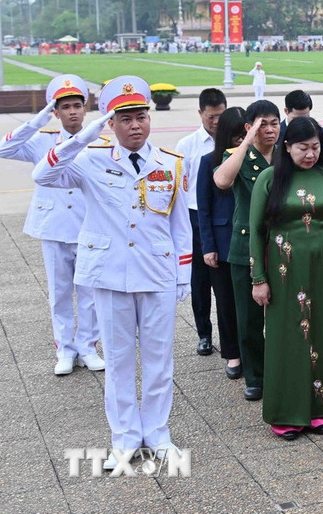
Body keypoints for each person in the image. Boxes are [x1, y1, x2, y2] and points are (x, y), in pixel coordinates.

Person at [34, 76, 191, 469]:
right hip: (109, 274)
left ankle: (158, 433)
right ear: (111, 122)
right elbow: (43, 175)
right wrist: (83, 137)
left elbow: (180, 225)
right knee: (119, 361)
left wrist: (183, 274)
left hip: (156, 272)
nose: (135, 125)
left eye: (141, 117)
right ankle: (124, 438)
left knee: (159, 360)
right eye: (125, 119)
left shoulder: (170, 163)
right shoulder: (90, 159)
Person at [248, 117, 323, 440]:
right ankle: (287, 411)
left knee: (322, 333)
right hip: (284, 272)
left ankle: (321, 407)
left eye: (315, 147)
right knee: (287, 337)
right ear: (287, 147)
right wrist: (258, 279)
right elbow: (256, 232)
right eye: (302, 147)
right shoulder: (270, 178)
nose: (310, 154)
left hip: (322, 269)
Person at [0, 75, 104, 376]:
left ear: (86, 108)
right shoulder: (43, 140)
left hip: (88, 226)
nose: (72, 112)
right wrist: (37, 120)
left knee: (89, 293)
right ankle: (65, 350)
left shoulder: (99, 141)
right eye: (65, 107)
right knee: (59, 294)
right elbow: (3, 149)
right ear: (55, 112)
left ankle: (88, 347)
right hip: (55, 227)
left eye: (77, 106)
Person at [213, 100, 282, 401]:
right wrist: (247, 142)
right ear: (249, 127)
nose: (270, 130)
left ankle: (283, 371)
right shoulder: (237, 155)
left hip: (282, 244)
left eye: (274, 123)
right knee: (249, 318)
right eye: (262, 124)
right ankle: (255, 377)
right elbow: (222, 180)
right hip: (246, 246)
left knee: (284, 314)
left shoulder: (285, 155)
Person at [175, 88, 227, 357]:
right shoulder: (187, 146)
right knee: (200, 281)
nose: (216, 122)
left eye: (220, 116)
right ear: (200, 114)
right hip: (194, 217)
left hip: (223, 217)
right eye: (210, 117)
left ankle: (229, 335)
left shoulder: (233, 142)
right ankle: (204, 334)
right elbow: (179, 188)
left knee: (223, 281)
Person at [196, 106, 245, 380]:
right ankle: (233, 354)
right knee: (226, 302)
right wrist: (208, 246)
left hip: (250, 240)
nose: (241, 140)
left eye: (245, 134)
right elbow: (203, 208)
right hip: (223, 241)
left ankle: (253, 351)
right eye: (236, 135)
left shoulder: (255, 159)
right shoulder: (208, 161)